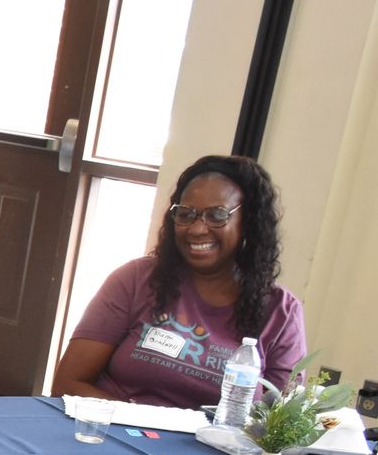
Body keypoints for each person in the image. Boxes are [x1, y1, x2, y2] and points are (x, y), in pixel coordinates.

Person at [52, 154, 305, 407]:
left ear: (249, 223)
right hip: (116, 435)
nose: (196, 229)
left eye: (217, 216)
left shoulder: (280, 312)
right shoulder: (136, 280)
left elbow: (279, 423)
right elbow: (68, 384)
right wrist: (145, 424)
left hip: (211, 445)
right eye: (185, 214)